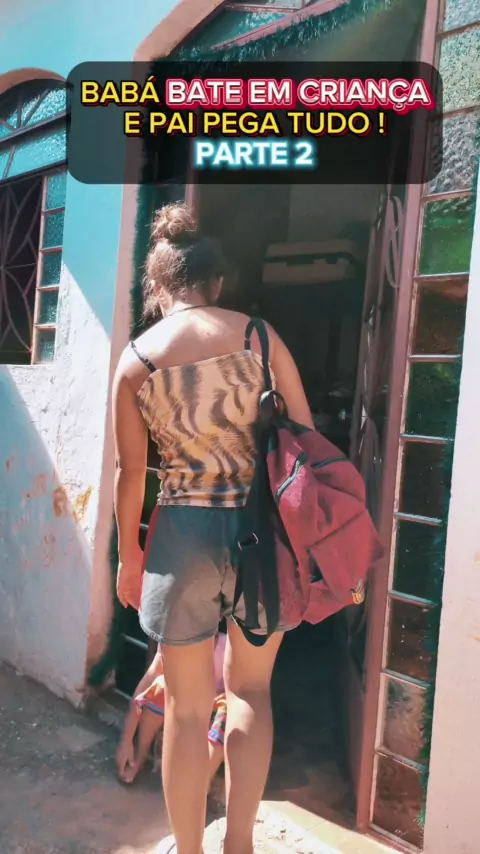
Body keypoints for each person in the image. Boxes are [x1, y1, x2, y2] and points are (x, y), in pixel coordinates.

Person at [112, 202, 314, 854]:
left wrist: (130, 558)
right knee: (250, 691)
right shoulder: (261, 337)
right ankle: (241, 844)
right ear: (217, 282)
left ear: (157, 287)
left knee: (187, 708)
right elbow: (304, 439)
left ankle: (190, 848)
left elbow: (131, 474)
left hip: (181, 537)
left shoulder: (136, 361)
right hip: (261, 532)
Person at [116, 632, 227, 786]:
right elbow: (147, 684)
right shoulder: (173, 640)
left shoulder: (226, 649)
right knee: (161, 685)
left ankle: (202, 782)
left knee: (227, 710)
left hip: (209, 714)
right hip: (180, 706)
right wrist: (126, 740)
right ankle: (139, 757)